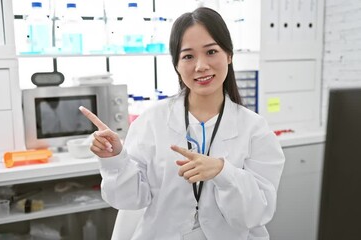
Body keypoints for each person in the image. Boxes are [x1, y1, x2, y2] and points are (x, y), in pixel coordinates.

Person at [79, 7, 285, 240]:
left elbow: (256, 215)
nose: (200, 66)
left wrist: (222, 171)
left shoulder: (255, 130)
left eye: (211, 52)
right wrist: (115, 159)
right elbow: (129, 200)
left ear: (228, 55)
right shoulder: (152, 121)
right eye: (188, 56)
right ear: (176, 64)